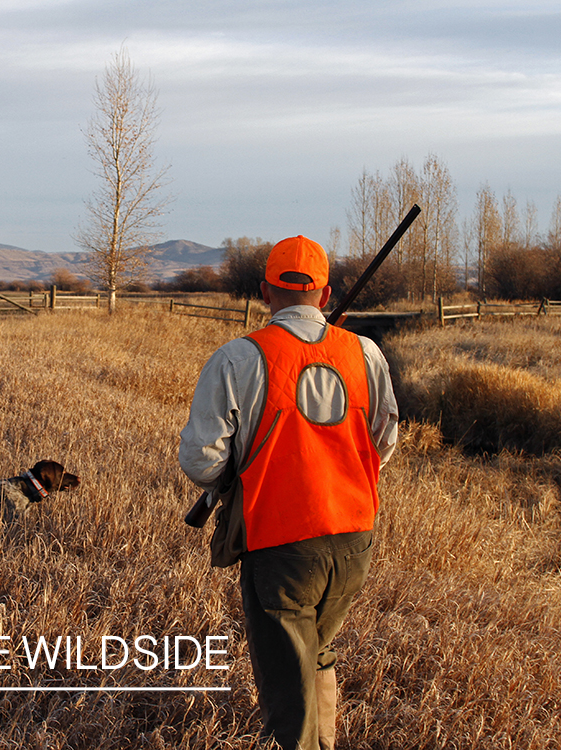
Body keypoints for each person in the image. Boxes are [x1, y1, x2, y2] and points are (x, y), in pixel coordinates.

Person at [178, 235, 399, 750]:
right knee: (317, 652)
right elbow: (385, 439)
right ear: (324, 296)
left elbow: (200, 460)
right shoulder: (365, 353)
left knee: (285, 690)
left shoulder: (239, 358)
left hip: (281, 543)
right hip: (354, 539)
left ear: (264, 292)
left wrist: (237, 478)